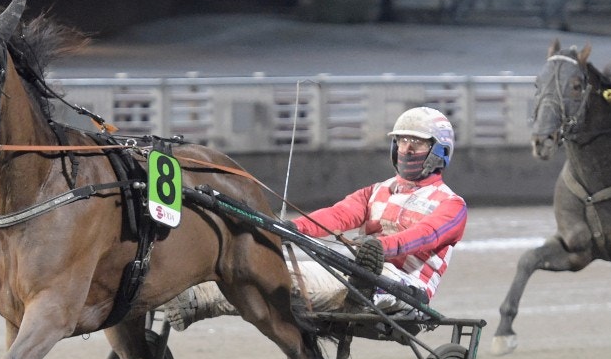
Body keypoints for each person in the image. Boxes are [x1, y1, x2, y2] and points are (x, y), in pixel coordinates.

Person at [162, 106, 468, 329]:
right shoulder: (377, 191)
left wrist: (380, 249)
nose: (406, 149)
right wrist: (289, 228)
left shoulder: (452, 205)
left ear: (438, 151)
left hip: (405, 286)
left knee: (284, 281)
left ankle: (200, 299)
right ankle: (198, 297)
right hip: (360, 268)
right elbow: (336, 216)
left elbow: (425, 235)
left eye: (416, 143)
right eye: (401, 141)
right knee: (271, 271)